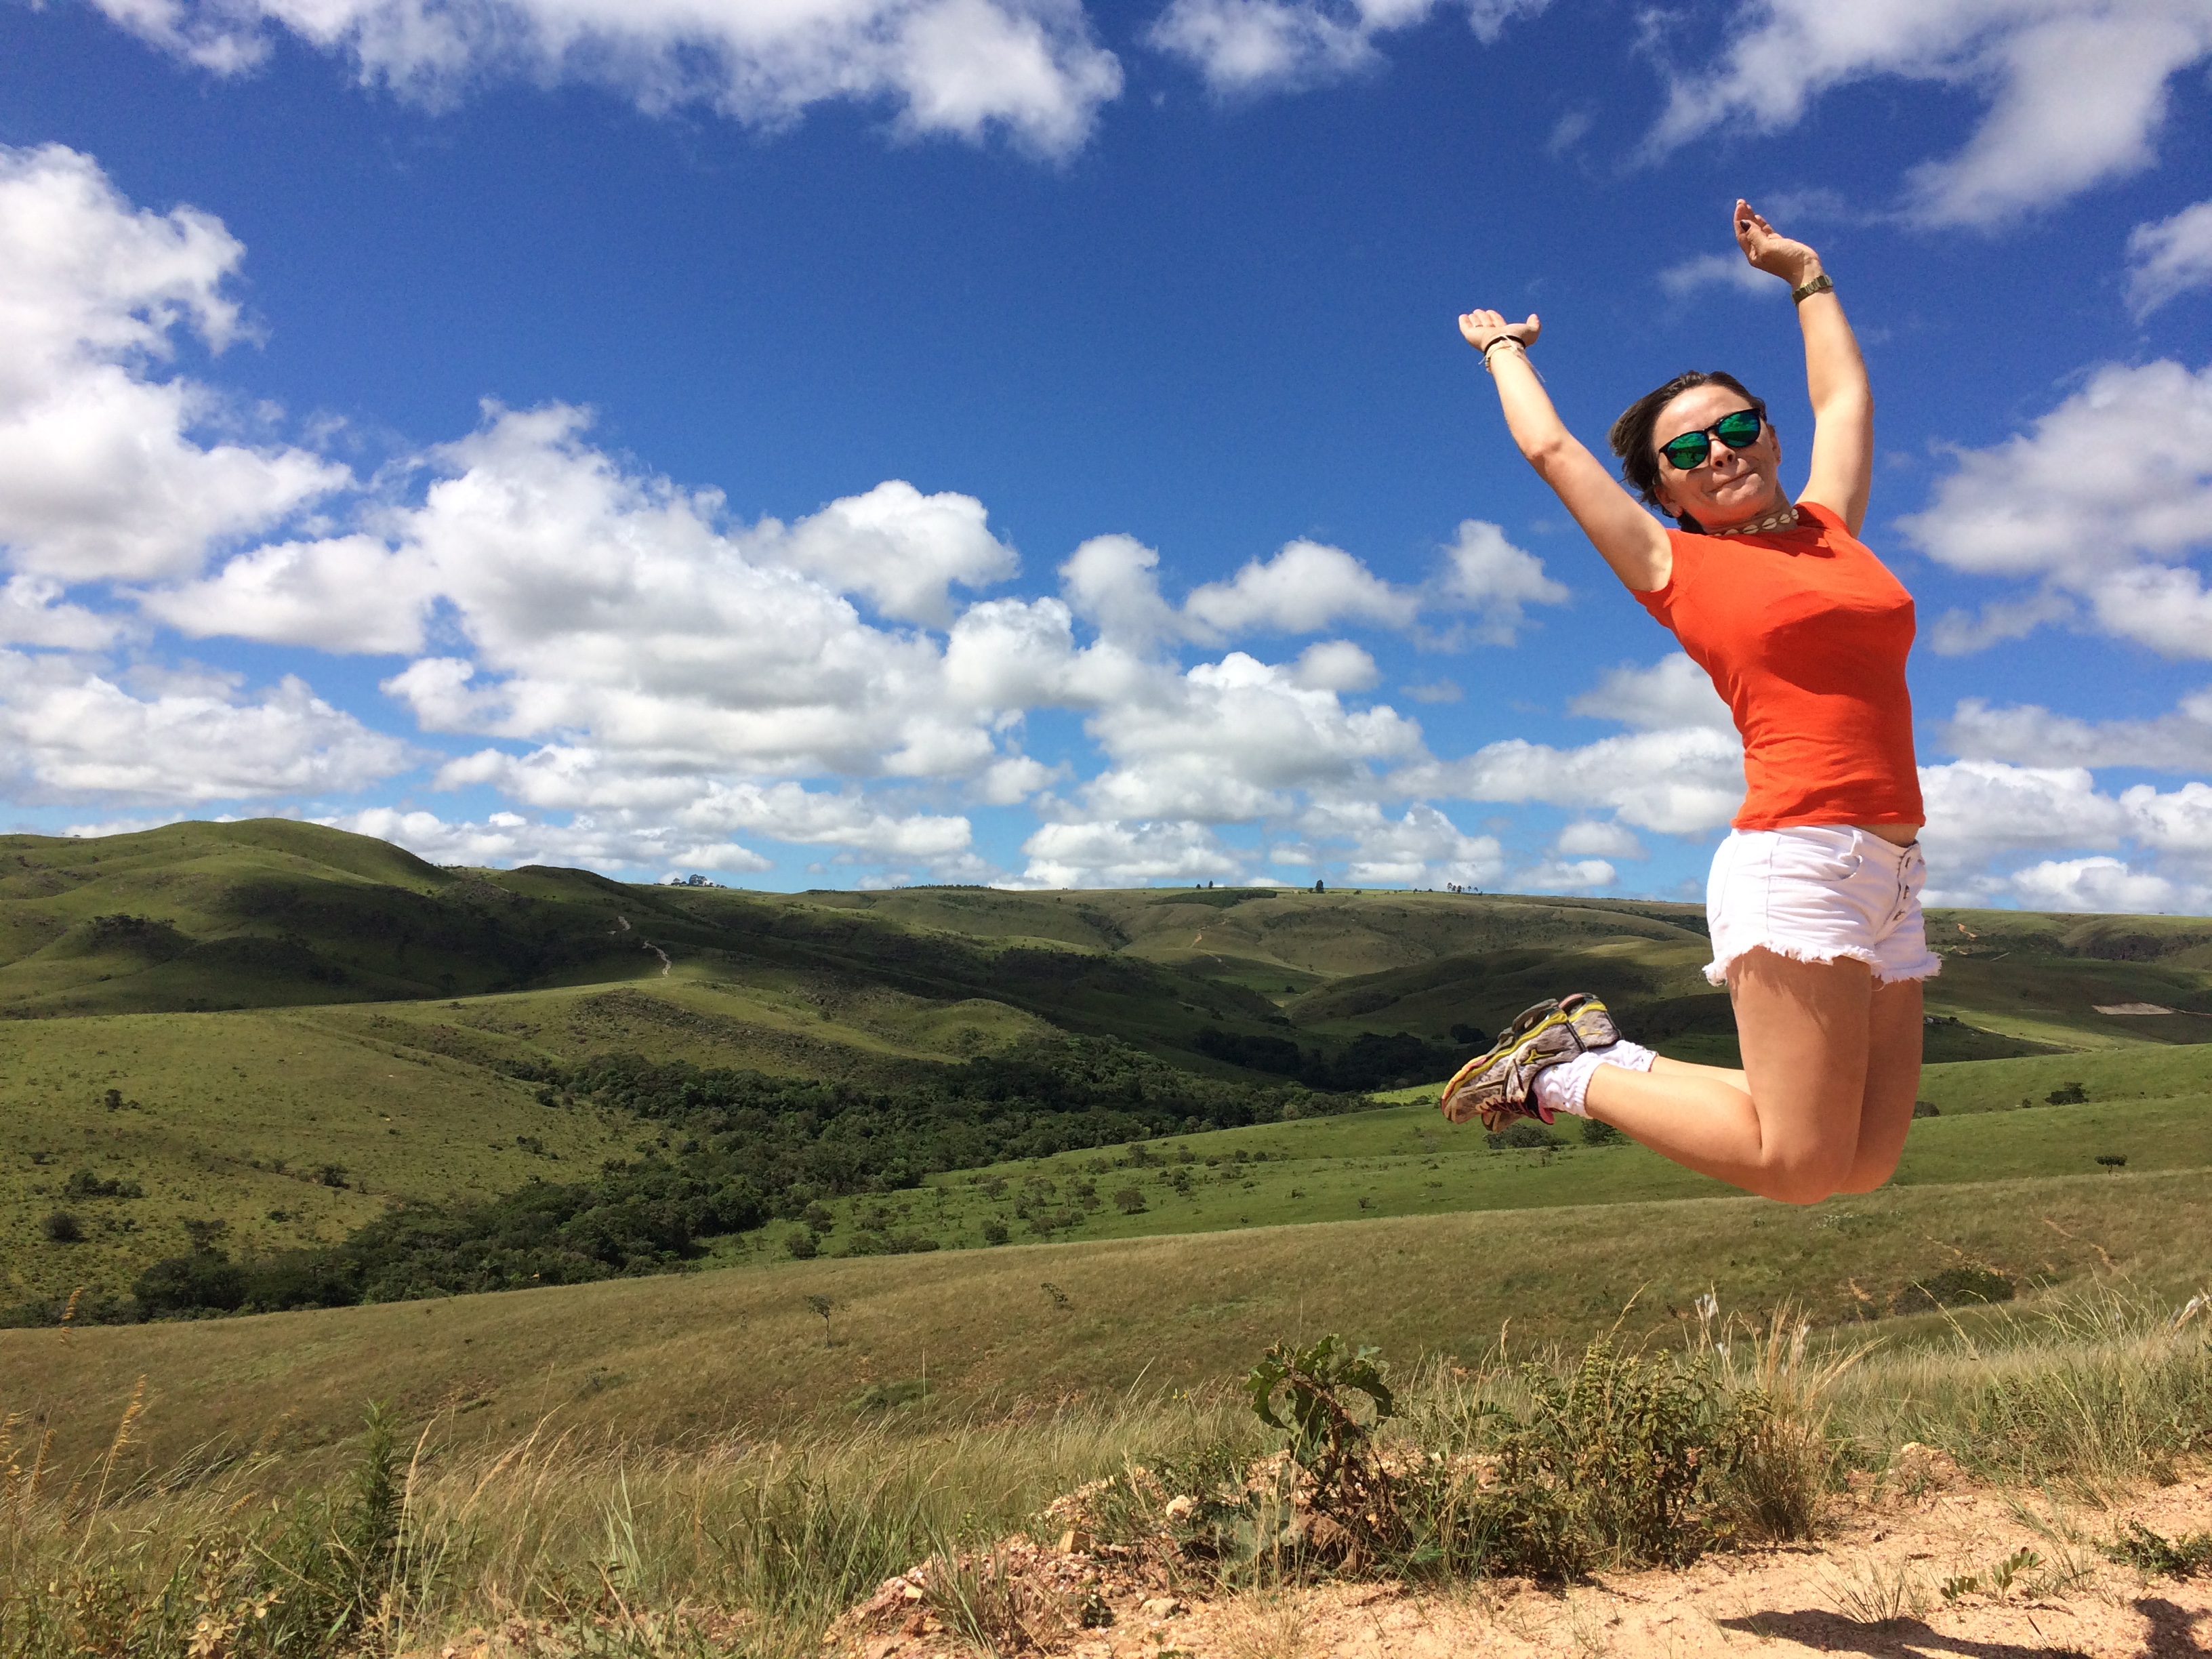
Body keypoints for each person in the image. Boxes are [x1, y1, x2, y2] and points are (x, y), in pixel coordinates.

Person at [1440, 201, 1934, 1206]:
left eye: (1737, 428)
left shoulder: (1835, 533)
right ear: (1666, 493)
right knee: (1799, 1167)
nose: (1719, 452)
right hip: (1798, 858)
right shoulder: (1674, 564)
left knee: (1863, 1162)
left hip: (1891, 870)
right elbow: (1554, 453)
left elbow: (1845, 400)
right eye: (1687, 452)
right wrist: (1501, 350)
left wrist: (1805, 274)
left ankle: (1598, 1054)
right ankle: (1563, 1077)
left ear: (1770, 438)